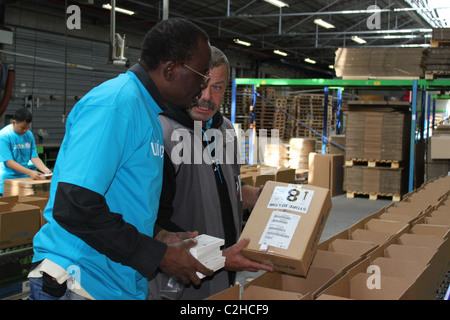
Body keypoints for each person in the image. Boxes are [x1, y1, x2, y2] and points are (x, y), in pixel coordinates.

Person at [28, 18, 214, 300]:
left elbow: (120, 197)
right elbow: (75, 204)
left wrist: (156, 234)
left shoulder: (147, 111)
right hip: (79, 281)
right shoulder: (116, 104)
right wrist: (158, 255)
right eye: (201, 77)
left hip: (111, 283)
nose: (202, 89)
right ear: (171, 69)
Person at [149, 46, 273, 300]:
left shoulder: (225, 130)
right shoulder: (160, 133)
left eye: (217, 87)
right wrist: (217, 257)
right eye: (201, 85)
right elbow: (150, 223)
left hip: (225, 275)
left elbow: (225, 189)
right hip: (179, 282)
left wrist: (257, 196)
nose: (207, 96)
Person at [0, 108, 52, 195]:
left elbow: (34, 157)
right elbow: (9, 162)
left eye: (28, 127)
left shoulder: (29, 135)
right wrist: (30, 172)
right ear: (14, 123)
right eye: (22, 128)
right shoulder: (3, 136)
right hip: (7, 180)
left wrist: (46, 170)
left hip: (25, 178)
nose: (25, 130)